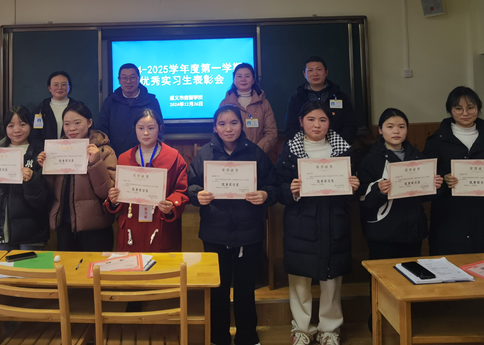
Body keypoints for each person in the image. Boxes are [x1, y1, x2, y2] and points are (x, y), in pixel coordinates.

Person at [188, 105, 277, 345]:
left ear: (242, 124)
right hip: (214, 232)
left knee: (245, 288)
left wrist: (265, 195)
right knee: (217, 289)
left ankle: (247, 336)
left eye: (234, 123)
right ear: (215, 128)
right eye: (222, 124)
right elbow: (191, 185)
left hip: (249, 233)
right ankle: (219, 337)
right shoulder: (205, 154)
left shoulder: (255, 153)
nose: (228, 128)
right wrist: (198, 195)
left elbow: (273, 186)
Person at [275, 101, 359, 345]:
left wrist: (354, 186)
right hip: (301, 222)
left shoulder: (344, 149)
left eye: (323, 120)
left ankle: (330, 329)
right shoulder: (289, 150)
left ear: (329, 123)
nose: (317, 125)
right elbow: (277, 187)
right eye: (311, 119)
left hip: (334, 221)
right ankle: (301, 329)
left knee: (332, 278)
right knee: (299, 278)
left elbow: (354, 188)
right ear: (301, 122)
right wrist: (289, 190)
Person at [424, 87, 484, 256]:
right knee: (448, 263)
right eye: (458, 108)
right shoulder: (436, 140)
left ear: (478, 108)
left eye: (470, 107)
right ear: (450, 110)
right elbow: (427, 176)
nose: (465, 113)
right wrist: (444, 178)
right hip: (449, 215)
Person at [358, 108, 443, 261]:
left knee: (411, 272)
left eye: (401, 126)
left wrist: (434, 186)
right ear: (380, 130)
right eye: (390, 126)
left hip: (413, 230)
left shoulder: (417, 156)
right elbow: (363, 197)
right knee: (384, 273)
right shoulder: (370, 160)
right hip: (383, 232)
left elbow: (424, 197)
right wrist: (379, 190)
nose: (396, 131)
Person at [104, 109, 188, 251]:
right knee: (130, 264)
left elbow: (181, 190)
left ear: (159, 128)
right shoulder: (124, 158)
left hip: (161, 224)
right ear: (135, 129)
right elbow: (119, 193)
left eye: (151, 128)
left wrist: (171, 204)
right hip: (131, 225)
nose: (146, 133)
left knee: (162, 264)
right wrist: (114, 199)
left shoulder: (174, 157)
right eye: (141, 128)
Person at [38, 101, 117, 251]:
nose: (71, 128)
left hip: (95, 226)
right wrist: (46, 169)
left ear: (89, 122)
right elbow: (51, 192)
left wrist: (95, 162)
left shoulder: (104, 150)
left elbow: (106, 192)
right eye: (67, 124)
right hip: (64, 223)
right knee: (67, 265)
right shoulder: (57, 150)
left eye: (77, 122)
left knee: (94, 266)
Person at [0, 106, 50, 251]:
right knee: (4, 266)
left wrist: (32, 179)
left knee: (30, 266)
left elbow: (42, 200)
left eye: (23, 124)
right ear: (5, 128)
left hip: (32, 230)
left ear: (30, 125)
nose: (17, 130)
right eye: (11, 126)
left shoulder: (40, 154)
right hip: (1, 229)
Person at [284, 56, 358, 145]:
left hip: (337, 146)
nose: (315, 74)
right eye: (310, 70)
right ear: (304, 74)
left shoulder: (341, 97)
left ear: (326, 72)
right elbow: (291, 127)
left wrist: (337, 145)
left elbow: (350, 126)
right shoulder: (295, 100)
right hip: (304, 146)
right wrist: (305, 145)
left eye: (319, 69)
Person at [99, 63, 163, 156]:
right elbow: (102, 129)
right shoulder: (110, 101)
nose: (128, 81)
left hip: (146, 154)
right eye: (124, 78)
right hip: (115, 155)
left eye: (132, 77)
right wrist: (110, 152)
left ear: (139, 79)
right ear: (119, 80)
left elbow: (160, 128)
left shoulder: (151, 101)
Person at [219, 62, 278, 154]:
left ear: (253, 80)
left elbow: (271, 132)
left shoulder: (263, 103)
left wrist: (256, 151)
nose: (243, 79)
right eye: (239, 76)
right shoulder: (225, 103)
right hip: (232, 156)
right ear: (234, 80)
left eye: (247, 76)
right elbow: (219, 130)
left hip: (258, 156)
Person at [31, 71, 78, 145]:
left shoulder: (79, 108)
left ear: (69, 87)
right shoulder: (41, 109)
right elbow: (35, 135)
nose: (59, 87)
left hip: (74, 148)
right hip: (46, 151)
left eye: (63, 84)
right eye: (56, 85)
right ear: (50, 88)